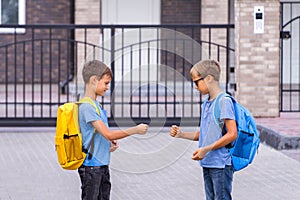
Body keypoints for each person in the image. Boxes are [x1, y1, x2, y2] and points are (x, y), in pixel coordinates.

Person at [78, 60, 148, 200]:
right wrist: (134, 130)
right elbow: (108, 133)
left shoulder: (96, 104)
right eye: (106, 83)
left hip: (101, 165)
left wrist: (108, 142)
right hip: (91, 167)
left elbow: (100, 133)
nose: (107, 87)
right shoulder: (87, 107)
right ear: (93, 80)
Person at [170, 59, 237, 200]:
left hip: (220, 164)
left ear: (209, 79)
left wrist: (207, 149)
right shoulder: (206, 103)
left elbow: (232, 134)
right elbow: (205, 134)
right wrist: (181, 134)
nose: (195, 87)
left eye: (196, 82)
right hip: (207, 162)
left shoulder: (223, 101)